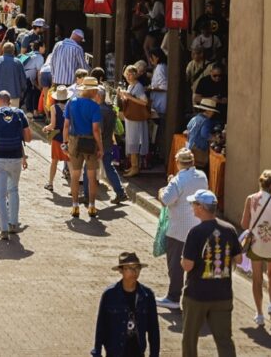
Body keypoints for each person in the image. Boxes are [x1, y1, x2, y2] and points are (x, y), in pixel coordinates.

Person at [180, 189, 241, 357]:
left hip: (197, 295)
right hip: (223, 295)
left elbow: (187, 266)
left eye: (194, 204)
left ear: (201, 207)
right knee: (224, 340)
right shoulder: (230, 229)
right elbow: (239, 259)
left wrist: (182, 260)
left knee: (190, 338)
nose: (192, 207)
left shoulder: (196, 232)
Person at [156, 149, 209, 311]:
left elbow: (166, 199)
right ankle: (194, 297)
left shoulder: (178, 180)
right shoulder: (202, 176)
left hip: (178, 229)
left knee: (176, 265)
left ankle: (173, 297)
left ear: (178, 163)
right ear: (192, 162)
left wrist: (162, 190)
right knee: (196, 264)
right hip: (197, 227)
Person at [0, 91, 31, 238]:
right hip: (15, 157)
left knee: (0, 195)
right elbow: (27, 138)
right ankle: (13, 223)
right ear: (9, 101)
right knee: (14, 190)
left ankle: (3, 229)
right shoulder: (19, 114)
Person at [92, 252, 160, 357]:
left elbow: (153, 330)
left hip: (137, 351)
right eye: (129, 268)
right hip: (114, 352)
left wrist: (154, 354)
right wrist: (97, 352)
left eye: (137, 268)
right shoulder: (109, 295)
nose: (134, 271)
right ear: (121, 270)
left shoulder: (147, 295)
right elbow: (101, 326)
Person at [240, 170, 271, 326]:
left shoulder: (251, 199)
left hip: (256, 244)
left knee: (257, 279)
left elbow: (244, 224)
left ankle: (259, 314)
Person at [63, 76, 104, 219]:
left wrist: (65, 142)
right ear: (92, 90)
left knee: (75, 175)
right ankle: (92, 206)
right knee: (92, 176)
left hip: (74, 140)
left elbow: (66, 125)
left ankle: (75, 206)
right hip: (90, 142)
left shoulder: (71, 103)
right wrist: (101, 147)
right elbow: (96, 130)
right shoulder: (95, 107)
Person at [118, 65, 150, 178]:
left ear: (135, 74)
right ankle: (133, 166)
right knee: (131, 141)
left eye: (131, 74)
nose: (128, 76)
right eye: (127, 74)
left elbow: (144, 102)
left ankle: (135, 167)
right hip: (131, 117)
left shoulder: (138, 86)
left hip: (135, 118)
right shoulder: (131, 86)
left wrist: (129, 97)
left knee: (134, 141)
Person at [44, 85, 71, 191]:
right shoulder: (70, 106)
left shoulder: (54, 108)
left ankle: (50, 183)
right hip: (68, 137)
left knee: (54, 161)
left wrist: (46, 128)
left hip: (57, 137)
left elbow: (53, 125)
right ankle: (74, 188)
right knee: (70, 162)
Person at [186, 98, 220, 169]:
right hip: (199, 150)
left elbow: (188, 129)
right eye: (212, 111)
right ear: (209, 111)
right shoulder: (206, 121)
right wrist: (215, 139)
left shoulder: (195, 118)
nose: (213, 113)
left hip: (190, 147)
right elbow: (204, 134)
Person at [0, 42, 26, 107]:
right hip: (14, 94)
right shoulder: (18, 62)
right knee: (13, 115)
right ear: (13, 51)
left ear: (3, 50)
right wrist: (22, 91)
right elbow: (23, 80)